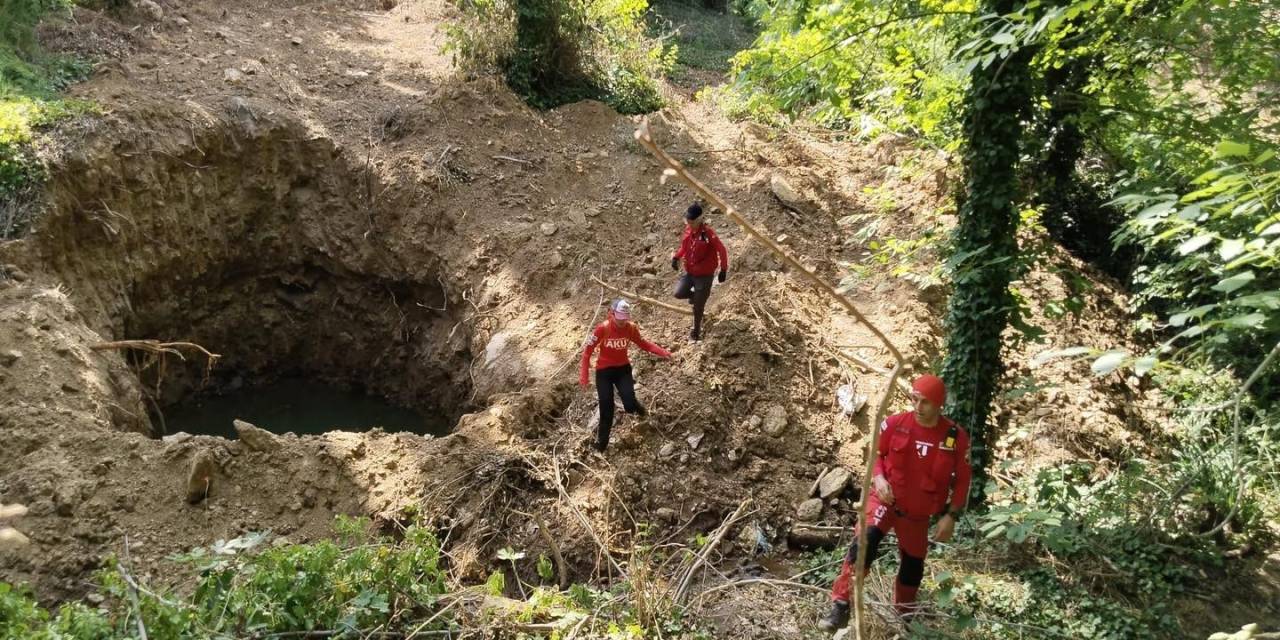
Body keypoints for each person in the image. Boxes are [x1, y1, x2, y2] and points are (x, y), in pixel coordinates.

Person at [820, 374, 972, 632]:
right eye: (914, 399)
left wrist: (951, 516)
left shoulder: (955, 437)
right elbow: (876, 456)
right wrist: (878, 478)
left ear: (939, 405)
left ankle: (904, 617)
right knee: (863, 544)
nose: (918, 407)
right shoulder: (894, 424)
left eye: (925, 402)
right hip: (884, 501)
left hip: (917, 515)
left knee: (912, 567)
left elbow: (963, 481)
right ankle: (841, 606)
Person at [579, 299, 672, 452]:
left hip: (623, 369)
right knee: (606, 408)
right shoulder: (602, 329)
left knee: (629, 405)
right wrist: (584, 376)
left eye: (625, 318)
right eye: (619, 318)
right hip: (604, 372)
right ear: (612, 314)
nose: (622, 322)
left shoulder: (631, 328)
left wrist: (663, 352)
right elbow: (587, 352)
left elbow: (644, 344)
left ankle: (640, 410)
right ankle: (601, 445)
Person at [670, 202, 728, 341]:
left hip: (704, 276)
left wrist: (723, 269)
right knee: (678, 292)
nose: (689, 223)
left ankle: (696, 332)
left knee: (698, 308)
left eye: (691, 221)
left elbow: (722, 250)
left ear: (699, 219)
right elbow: (684, 247)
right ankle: (694, 297)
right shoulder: (688, 230)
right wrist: (676, 257)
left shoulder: (708, 234)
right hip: (690, 272)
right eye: (688, 220)